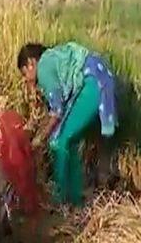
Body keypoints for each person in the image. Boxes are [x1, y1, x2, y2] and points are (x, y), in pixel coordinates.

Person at [17, 41, 117, 209]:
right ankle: (74, 201)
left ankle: (60, 199)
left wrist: (39, 140)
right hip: (97, 79)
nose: (26, 80)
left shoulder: (44, 67)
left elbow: (56, 113)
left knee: (58, 142)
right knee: (69, 141)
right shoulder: (53, 60)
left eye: (24, 73)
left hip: (92, 83)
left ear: (31, 63)